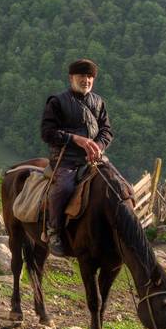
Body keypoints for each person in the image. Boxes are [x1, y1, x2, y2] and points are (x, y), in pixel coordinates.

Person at [39, 58, 112, 257]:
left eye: (90, 77)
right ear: (71, 77)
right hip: (66, 159)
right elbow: (47, 133)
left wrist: (98, 145)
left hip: (93, 159)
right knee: (64, 187)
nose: (86, 80)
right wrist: (75, 139)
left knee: (117, 185)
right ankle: (54, 231)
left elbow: (106, 131)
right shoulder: (57, 102)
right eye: (81, 76)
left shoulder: (98, 102)